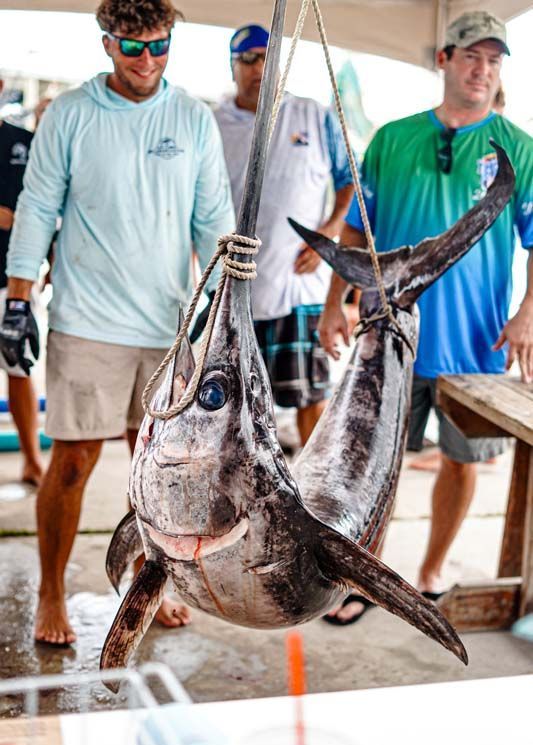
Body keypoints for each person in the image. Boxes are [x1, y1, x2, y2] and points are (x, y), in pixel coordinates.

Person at [1, 0, 234, 645]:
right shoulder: (72, 114)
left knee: (154, 468)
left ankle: (147, 586)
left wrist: (220, 313)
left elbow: (213, 220)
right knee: (72, 464)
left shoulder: (191, 117)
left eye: (161, 47)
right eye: (134, 48)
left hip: (168, 327)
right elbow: (37, 207)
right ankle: (51, 592)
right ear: (107, 45)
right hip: (87, 320)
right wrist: (19, 299)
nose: (149, 60)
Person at [319, 11, 533, 624]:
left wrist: (526, 314)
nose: (482, 70)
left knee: (463, 462)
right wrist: (334, 302)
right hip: (389, 336)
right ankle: (367, 571)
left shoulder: (520, 147)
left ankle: (432, 570)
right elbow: (358, 229)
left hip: (475, 338)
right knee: (371, 464)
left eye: (494, 61)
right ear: (444, 59)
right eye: (471, 57)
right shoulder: (392, 137)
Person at [214, 24, 354, 445]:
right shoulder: (212, 123)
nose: (259, 69)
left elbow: (350, 179)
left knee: (310, 398)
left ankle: (314, 496)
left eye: (267, 59)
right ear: (233, 66)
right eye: (249, 59)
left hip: (299, 284)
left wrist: (328, 231)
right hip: (233, 287)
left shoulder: (314, 114)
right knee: (232, 406)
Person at [0, 78, 43, 486]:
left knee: (20, 369)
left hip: (14, 282)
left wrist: (50, 258)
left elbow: (42, 208)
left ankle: (31, 459)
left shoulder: (24, 142)